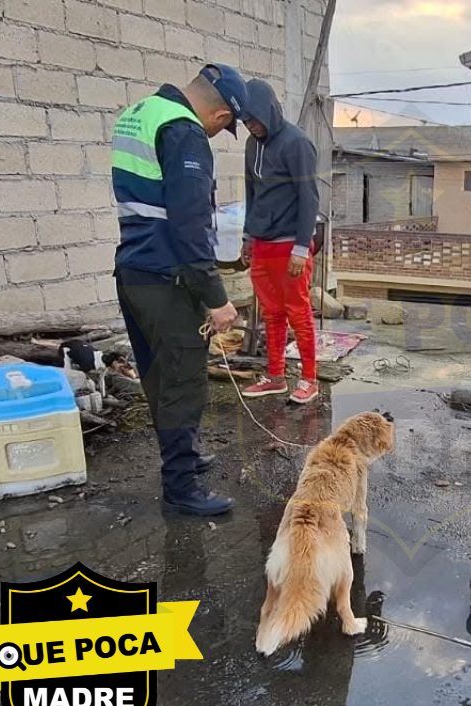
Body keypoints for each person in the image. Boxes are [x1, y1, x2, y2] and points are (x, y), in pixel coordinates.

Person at [111, 64, 249, 517]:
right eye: (223, 126)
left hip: (134, 272)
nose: (216, 132)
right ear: (222, 115)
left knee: (157, 377)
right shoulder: (185, 132)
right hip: (168, 281)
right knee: (184, 383)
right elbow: (190, 225)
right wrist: (216, 298)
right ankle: (182, 488)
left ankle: (182, 457)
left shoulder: (139, 113)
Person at [239, 79, 321, 404]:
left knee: (298, 312)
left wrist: (302, 247)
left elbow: (309, 197)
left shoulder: (297, 143)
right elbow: (251, 191)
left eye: (255, 119)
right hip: (262, 243)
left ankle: (309, 379)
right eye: (246, 121)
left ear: (269, 111)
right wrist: (248, 236)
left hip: (290, 245)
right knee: (271, 313)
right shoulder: (251, 145)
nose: (251, 126)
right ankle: (275, 376)